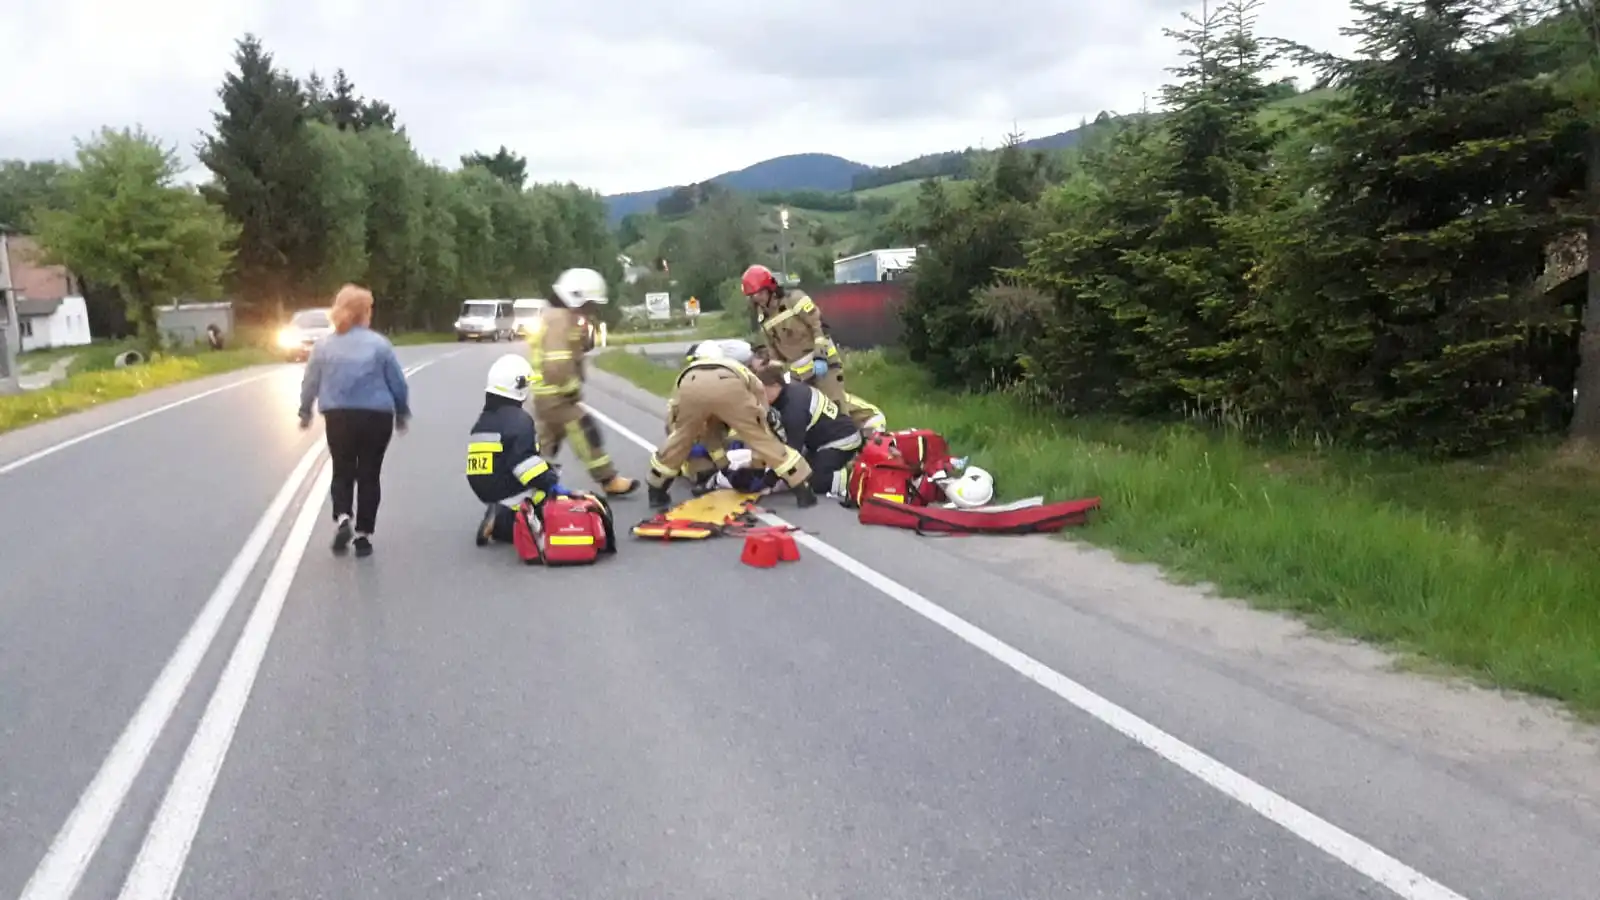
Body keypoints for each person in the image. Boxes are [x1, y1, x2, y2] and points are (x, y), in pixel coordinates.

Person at [298, 284, 411, 558]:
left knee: (342, 469)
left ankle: (343, 516)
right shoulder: (379, 345)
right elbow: (397, 381)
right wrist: (402, 411)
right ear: (365, 313)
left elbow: (311, 380)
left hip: (339, 416)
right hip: (376, 416)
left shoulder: (323, 346)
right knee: (370, 474)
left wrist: (305, 410)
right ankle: (363, 535)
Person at [645, 341, 813, 508]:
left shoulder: (687, 372)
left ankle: (656, 491)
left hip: (691, 387)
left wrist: (723, 467)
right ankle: (803, 490)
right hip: (729, 387)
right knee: (761, 438)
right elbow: (759, 397)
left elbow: (678, 417)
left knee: (680, 440)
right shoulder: (735, 367)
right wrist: (757, 467)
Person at [527, 267, 638, 497]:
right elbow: (557, 362)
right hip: (556, 395)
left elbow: (575, 349)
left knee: (546, 442)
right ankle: (609, 479)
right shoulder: (559, 319)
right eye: (589, 304)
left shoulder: (559, 317)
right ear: (575, 297)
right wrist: (570, 389)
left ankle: (529, 480)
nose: (591, 309)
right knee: (585, 430)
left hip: (547, 394)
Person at [467, 354, 576, 547]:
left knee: (540, 477)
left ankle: (499, 508)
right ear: (519, 386)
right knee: (544, 499)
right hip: (504, 484)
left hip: (483, 485)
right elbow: (524, 465)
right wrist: (550, 482)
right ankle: (502, 522)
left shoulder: (484, 419)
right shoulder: (519, 420)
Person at [740, 263, 855, 415]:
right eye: (752, 296)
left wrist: (820, 356)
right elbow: (773, 350)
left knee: (836, 410)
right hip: (799, 376)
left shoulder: (795, 299)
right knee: (807, 415)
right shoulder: (763, 316)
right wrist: (774, 376)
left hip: (823, 366)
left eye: (759, 294)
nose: (757, 299)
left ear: (770, 288)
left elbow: (819, 327)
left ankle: (860, 431)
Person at [755, 365, 864, 497]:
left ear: (775, 386)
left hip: (841, 441)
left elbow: (792, 450)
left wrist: (768, 481)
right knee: (801, 472)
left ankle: (854, 477)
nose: (759, 396)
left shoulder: (794, 408)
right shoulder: (788, 394)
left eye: (761, 391)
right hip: (820, 441)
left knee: (812, 481)